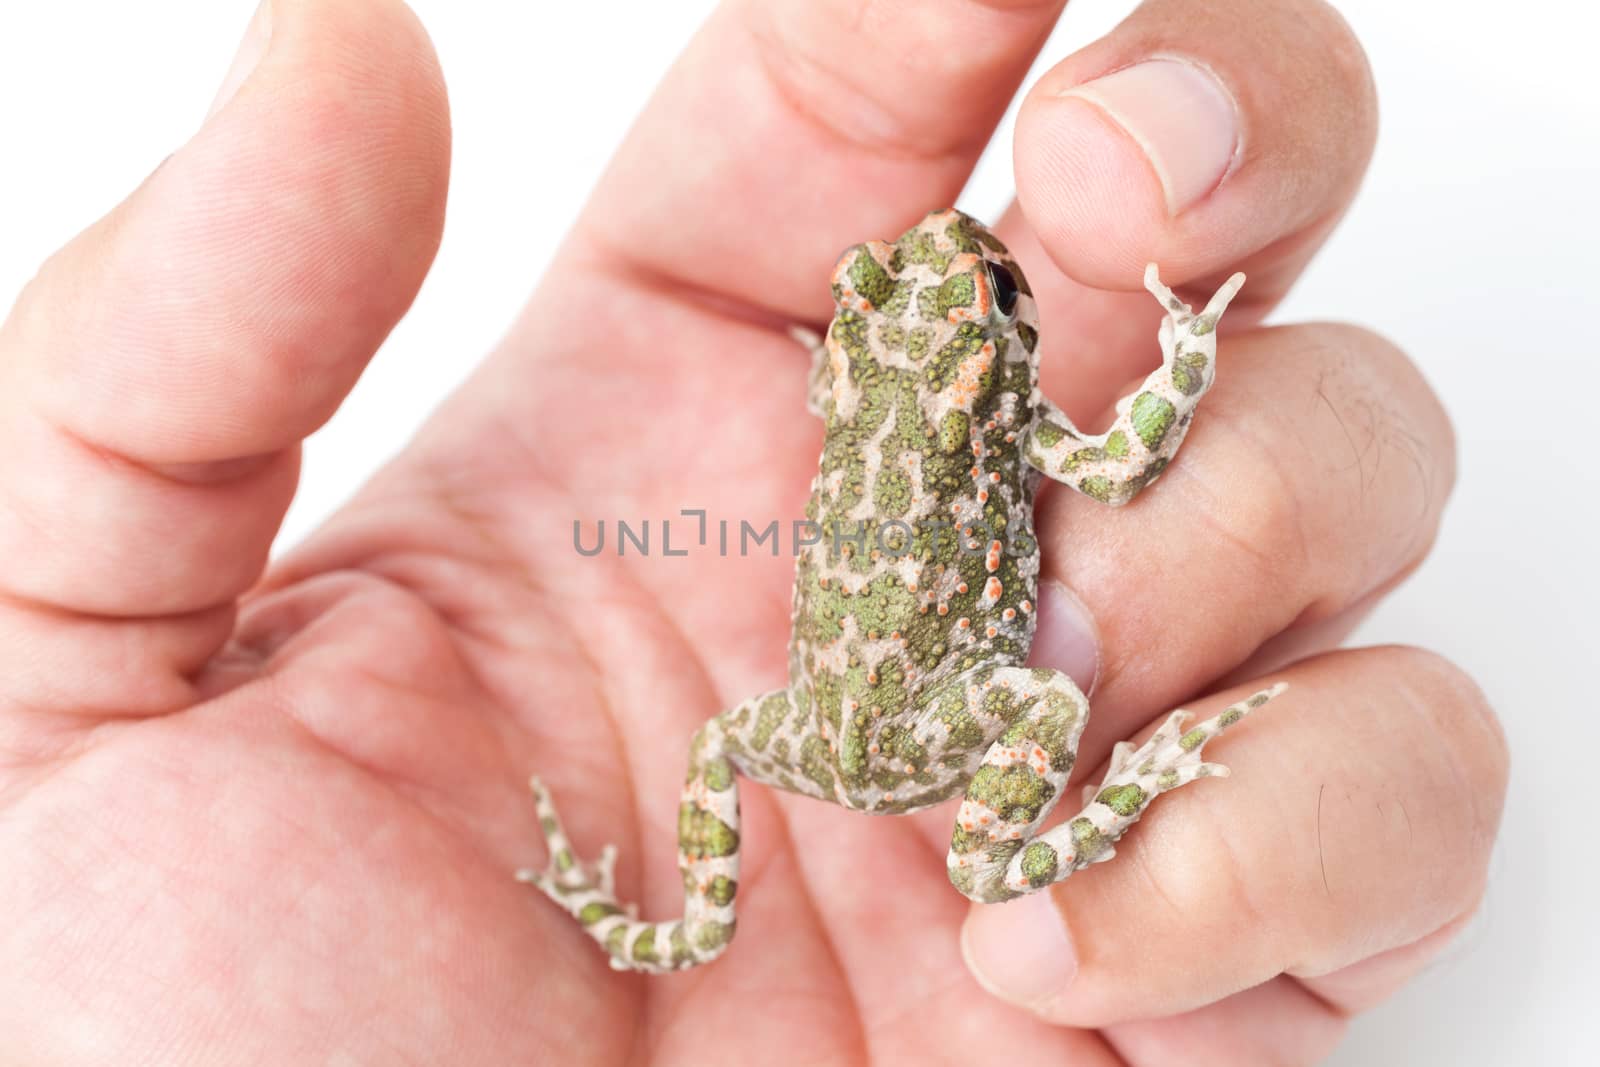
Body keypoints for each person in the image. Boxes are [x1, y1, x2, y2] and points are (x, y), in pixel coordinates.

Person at [0, 0, 1508, 1062]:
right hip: (900, 728)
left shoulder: (937, 418)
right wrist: (1181, 350)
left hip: (831, 734)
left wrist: (1175, 352)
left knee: (744, 740)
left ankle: (685, 931)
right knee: (1044, 699)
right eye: (878, 293)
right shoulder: (980, 417)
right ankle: (986, 855)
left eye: (971, 291)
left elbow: (1097, 472)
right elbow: (1120, 468)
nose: (944, 263)